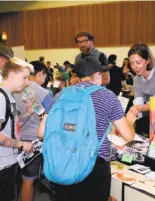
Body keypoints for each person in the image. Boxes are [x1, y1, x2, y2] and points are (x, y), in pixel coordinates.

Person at [38, 56, 136, 201]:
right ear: (97, 74)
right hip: (94, 167)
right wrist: (129, 120)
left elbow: (41, 133)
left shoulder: (60, 95)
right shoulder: (108, 96)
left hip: (63, 162)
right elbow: (128, 136)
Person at [0, 58, 34, 201]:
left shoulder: (6, 94)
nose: (27, 82)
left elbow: (10, 126)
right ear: (11, 74)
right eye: (24, 77)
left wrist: (28, 114)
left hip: (8, 161)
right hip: (0, 164)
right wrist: (21, 144)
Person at [13, 61, 51, 201]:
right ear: (39, 74)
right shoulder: (43, 92)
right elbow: (51, 118)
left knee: (17, 180)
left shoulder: (13, 89)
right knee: (28, 181)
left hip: (15, 140)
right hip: (34, 143)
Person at [127, 44, 155, 136]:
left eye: (138, 62)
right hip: (149, 121)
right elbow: (138, 103)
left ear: (147, 60)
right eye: (132, 63)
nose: (134, 66)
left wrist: (139, 108)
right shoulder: (137, 79)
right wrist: (133, 112)